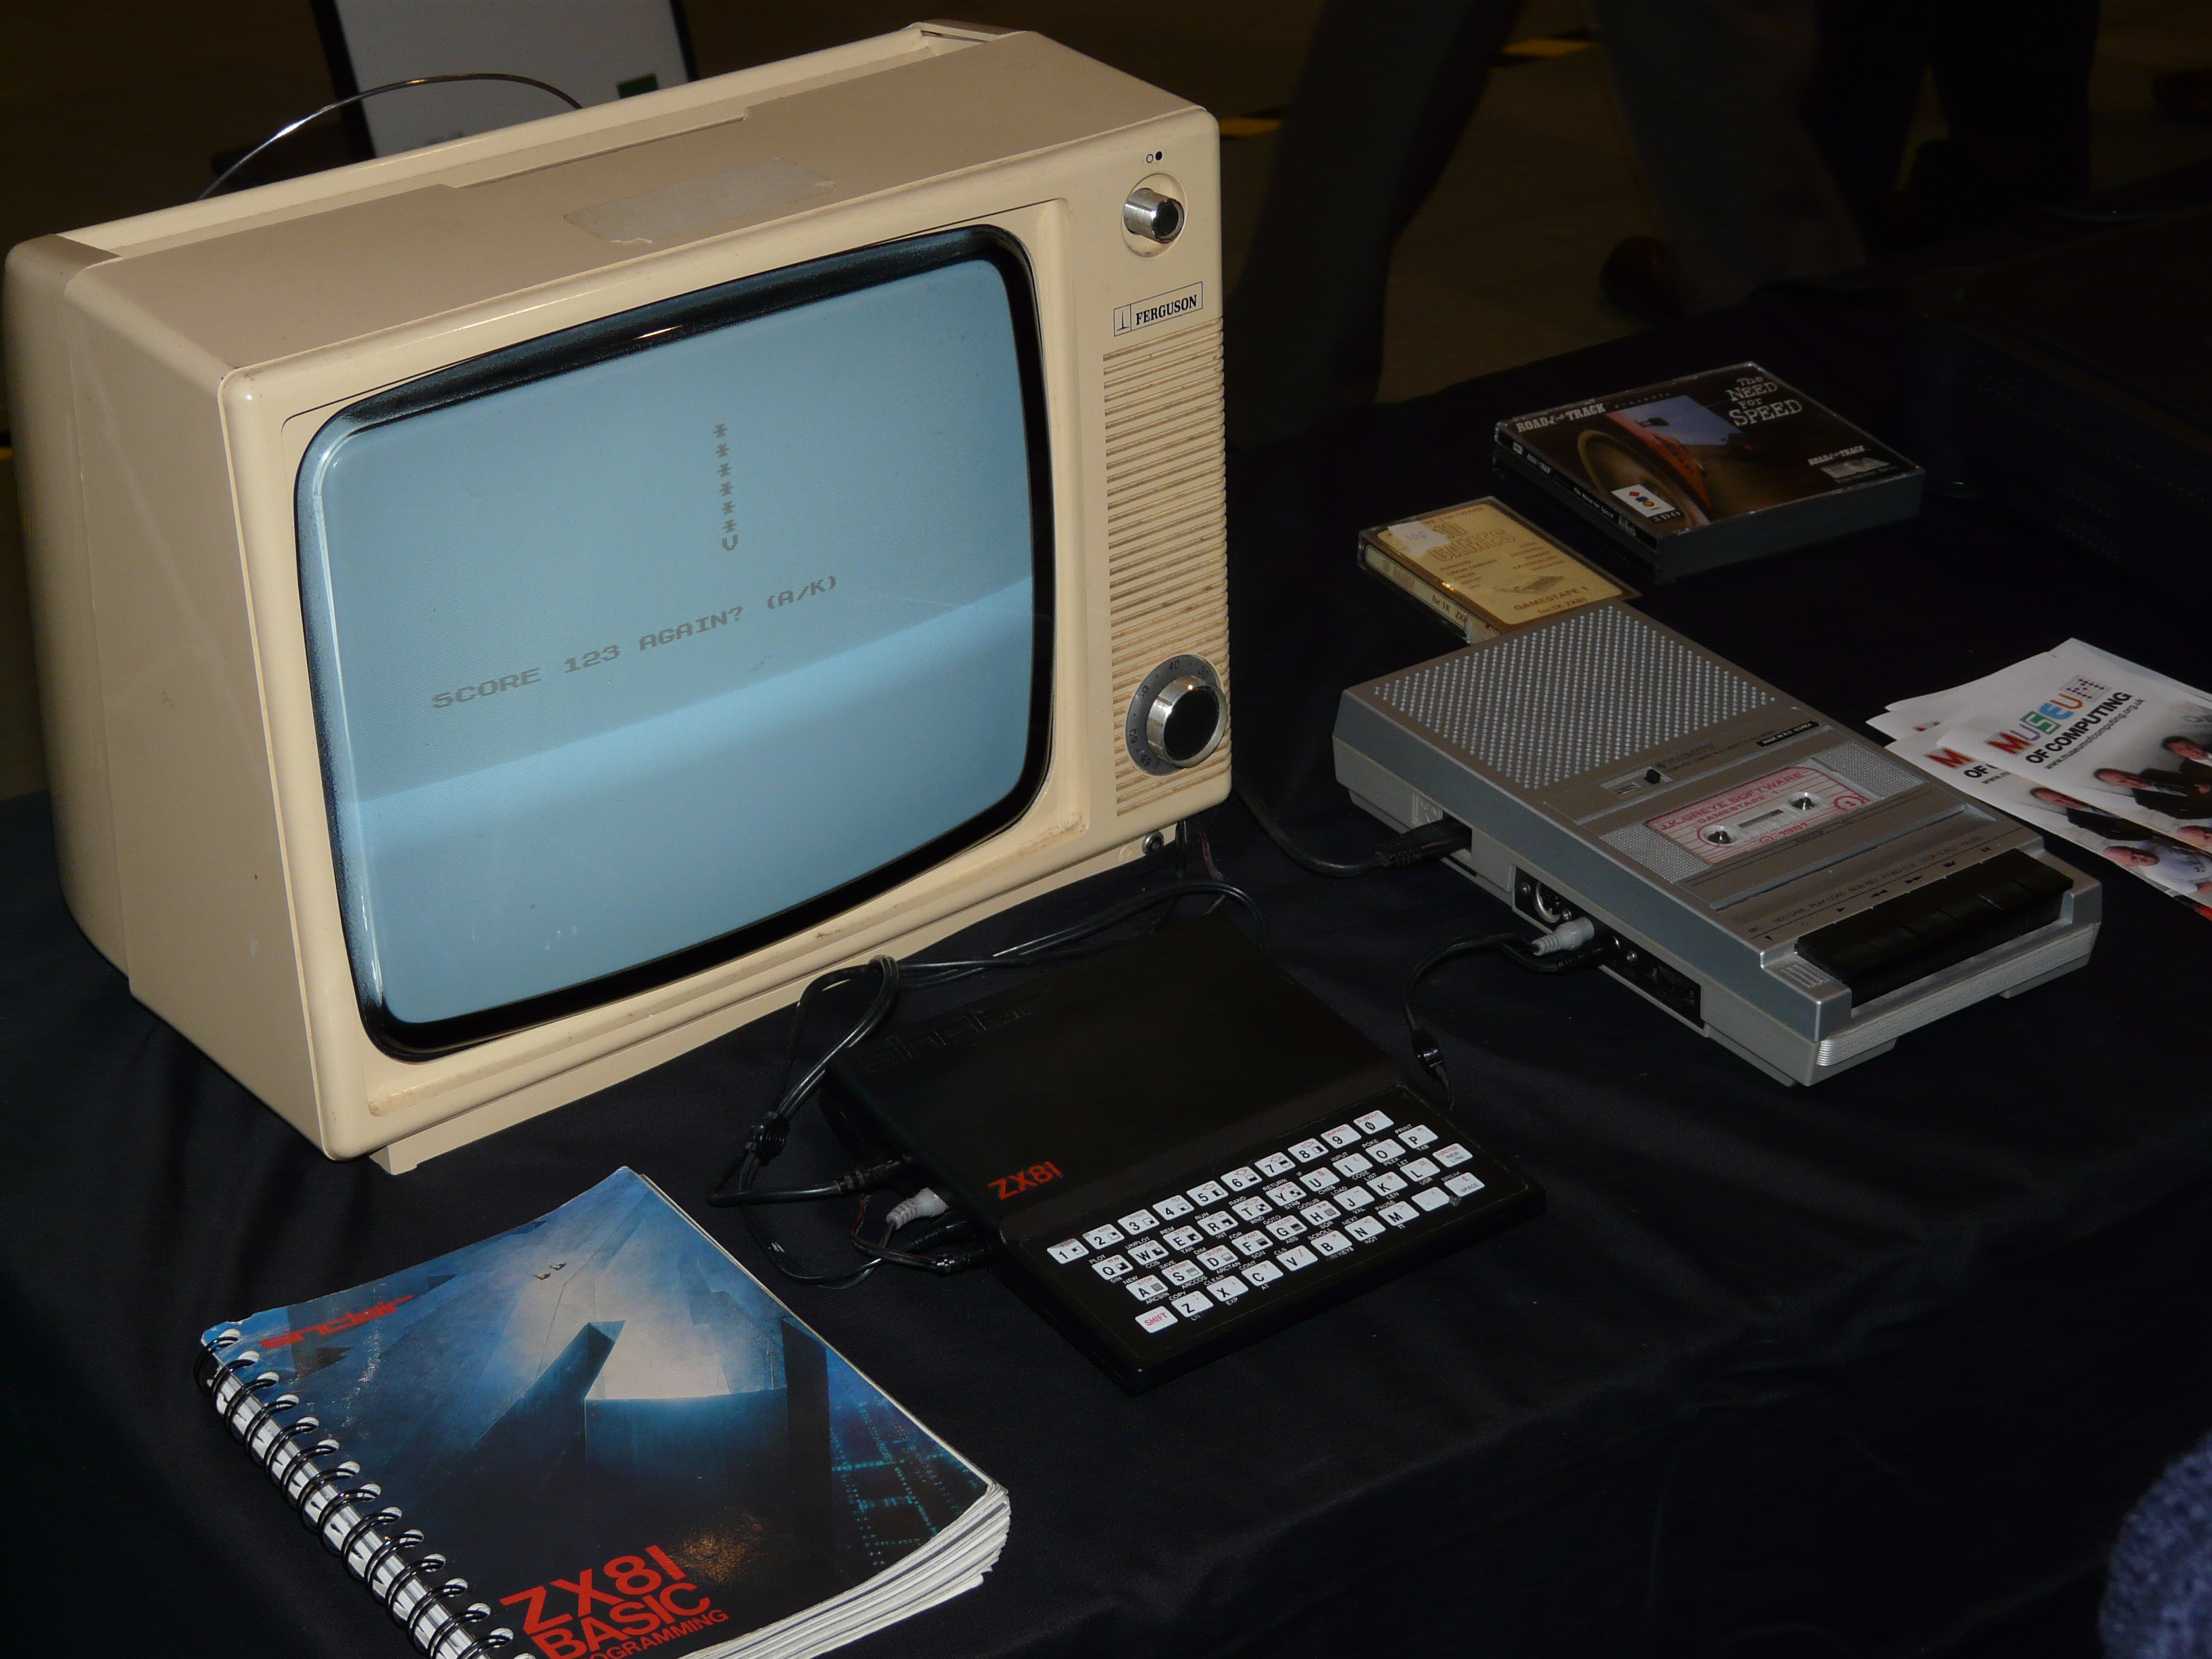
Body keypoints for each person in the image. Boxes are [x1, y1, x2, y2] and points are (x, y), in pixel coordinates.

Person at [2093, 767, 2212, 821]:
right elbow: (2180, 815)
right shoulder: (2143, 800)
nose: (2133, 781)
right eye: (2123, 782)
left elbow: (2193, 779)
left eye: (2128, 776)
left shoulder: (2151, 774)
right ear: (2119, 786)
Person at [2098, 840, 2212, 896]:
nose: (2140, 855)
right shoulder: (2161, 877)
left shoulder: (2148, 844)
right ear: (2130, 865)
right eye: (2133, 858)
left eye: (2133, 851)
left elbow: (2176, 842)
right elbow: (2198, 889)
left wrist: (2201, 849)